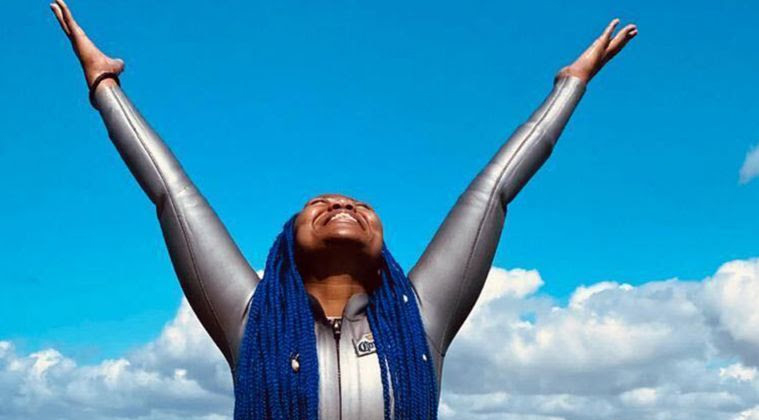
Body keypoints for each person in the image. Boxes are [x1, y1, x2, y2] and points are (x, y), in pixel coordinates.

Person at [49, 1, 637, 418]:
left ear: (383, 246)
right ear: (286, 243)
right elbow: (171, 193)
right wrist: (104, 85)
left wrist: (572, 83)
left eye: (357, 205)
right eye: (320, 204)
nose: (341, 204)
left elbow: (495, 190)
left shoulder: (422, 317)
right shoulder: (251, 319)